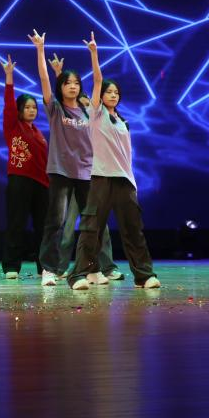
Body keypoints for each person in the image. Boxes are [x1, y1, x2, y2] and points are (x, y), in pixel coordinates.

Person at [68, 33, 160, 290]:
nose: (113, 95)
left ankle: (144, 275)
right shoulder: (96, 114)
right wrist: (94, 54)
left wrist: (132, 182)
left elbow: (127, 155)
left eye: (116, 92)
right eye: (109, 92)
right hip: (100, 178)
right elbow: (97, 79)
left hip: (124, 180)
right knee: (91, 230)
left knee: (133, 230)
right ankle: (79, 275)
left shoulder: (122, 122)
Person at [28, 30, 108, 287]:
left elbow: (98, 80)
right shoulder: (55, 108)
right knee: (56, 222)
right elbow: (44, 78)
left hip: (86, 172)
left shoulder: (88, 110)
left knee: (91, 223)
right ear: (61, 87)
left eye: (76, 82)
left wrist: (94, 53)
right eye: (67, 83)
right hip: (60, 171)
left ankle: (91, 269)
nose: (72, 86)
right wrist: (40, 49)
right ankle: (49, 269)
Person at [48, 54, 123, 280]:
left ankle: (104, 267)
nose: (112, 95)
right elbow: (62, 98)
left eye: (116, 93)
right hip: (69, 172)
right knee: (67, 225)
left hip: (91, 173)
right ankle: (61, 267)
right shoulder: (74, 109)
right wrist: (58, 74)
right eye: (68, 84)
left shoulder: (98, 115)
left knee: (99, 225)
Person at [0, 54, 48, 279]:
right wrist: (9, 77)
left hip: (42, 184)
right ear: (19, 110)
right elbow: (8, 105)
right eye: (27, 107)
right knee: (16, 224)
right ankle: (11, 266)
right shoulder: (13, 126)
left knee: (43, 227)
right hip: (19, 180)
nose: (31, 110)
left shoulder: (39, 133)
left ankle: (44, 266)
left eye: (34, 107)